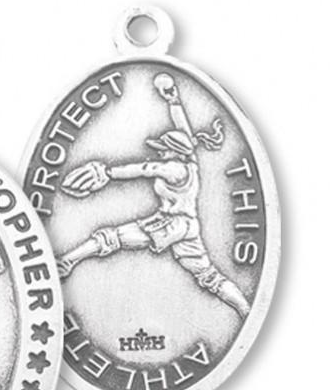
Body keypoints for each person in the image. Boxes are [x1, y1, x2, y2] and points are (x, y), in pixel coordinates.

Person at [58, 127, 250, 319]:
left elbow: (146, 169)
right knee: (209, 276)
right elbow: (183, 129)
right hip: (188, 226)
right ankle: (244, 309)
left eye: (164, 148)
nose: (160, 151)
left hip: (170, 224)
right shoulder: (191, 164)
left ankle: (68, 261)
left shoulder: (174, 169)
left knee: (113, 237)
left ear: (176, 150)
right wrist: (176, 109)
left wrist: (108, 172)